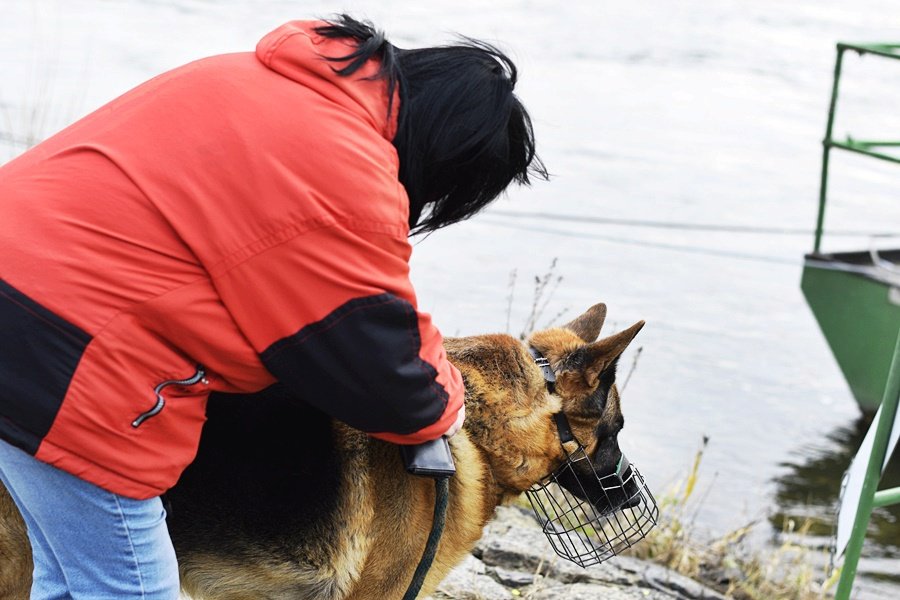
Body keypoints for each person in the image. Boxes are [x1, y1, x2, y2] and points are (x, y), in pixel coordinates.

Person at [0, 14, 545, 599]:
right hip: (65, 354)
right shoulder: (342, 171)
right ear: (446, 156)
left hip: (24, 308)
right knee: (133, 586)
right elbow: (379, 365)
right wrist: (447, 405)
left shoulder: (251, 78)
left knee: (65, 574)